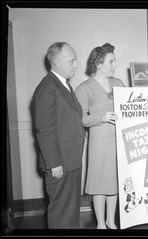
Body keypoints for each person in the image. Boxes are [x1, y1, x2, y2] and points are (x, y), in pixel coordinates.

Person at [32, 42, 85, 229]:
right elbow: (45, 129)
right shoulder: (47, 88)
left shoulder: (64, 85)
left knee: (70, 212)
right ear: (56, 62)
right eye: (72, 61)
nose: (76, 65)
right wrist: (54, 163)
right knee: (62, 214)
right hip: (60, 164)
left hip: (71, 160)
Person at [75, 43, 125, 229]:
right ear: (99, 64)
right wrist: (101, 118)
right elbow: (80, 119)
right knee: (99, 183)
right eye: (111, 61)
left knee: (114, 182)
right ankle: (100, 224)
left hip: (118, 141)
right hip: (99, 142)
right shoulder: (85, 88)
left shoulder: (118, 83)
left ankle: (111, 222)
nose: (115, 64)